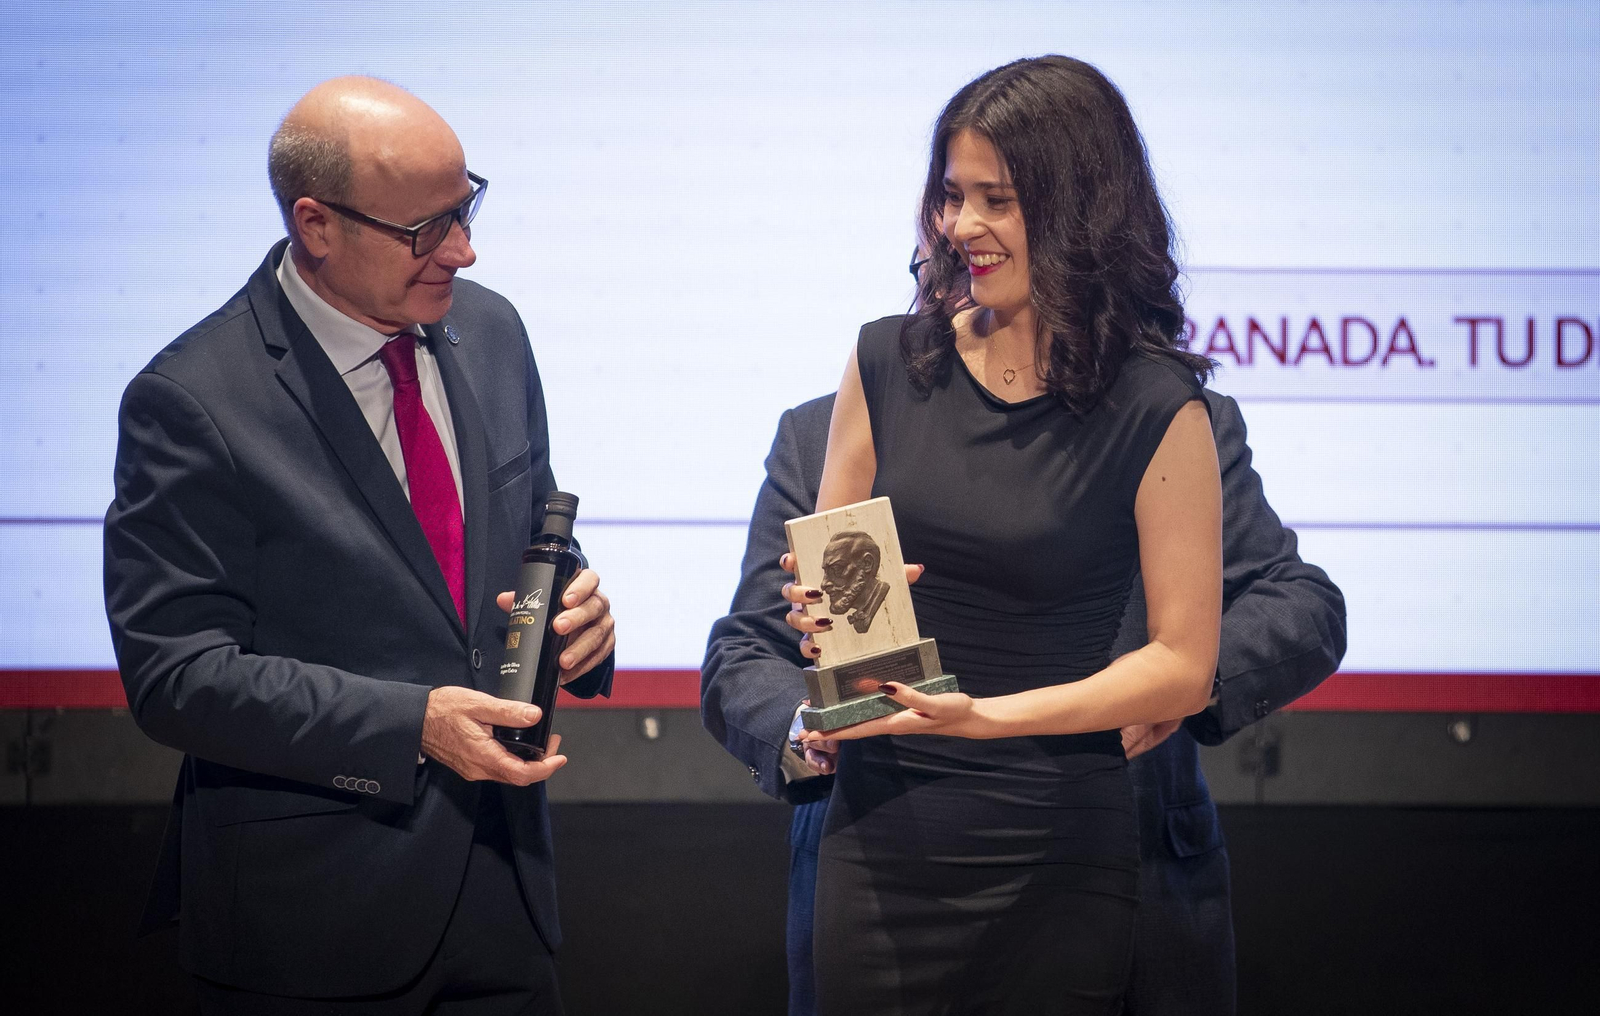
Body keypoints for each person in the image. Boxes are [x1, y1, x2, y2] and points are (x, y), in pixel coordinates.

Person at [103, 77, 616, 1014]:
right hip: (312, 923)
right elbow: (174, 673)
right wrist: (408, 724)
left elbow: (528, 542)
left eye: (466, 209)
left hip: (506, 901)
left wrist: (581, 615)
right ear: (316, 224)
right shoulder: (193, 400)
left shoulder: (491, 330)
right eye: (427, 229)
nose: (464, 248)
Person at [788, 54, 1221, 1015]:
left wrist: (983, 715)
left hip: (1056, 846)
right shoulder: (886, 361)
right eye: (951, 196)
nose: (961, 226)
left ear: (1079, 211)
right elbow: (843, 622)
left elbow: (1185, 666)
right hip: (883, 836)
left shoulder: (1159, 407)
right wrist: (827, 620)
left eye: (998, 199)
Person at [702, 379, 1345, 1015]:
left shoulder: (1161, 416)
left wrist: (1176, 683)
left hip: (1119, 860)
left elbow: (1302, 605)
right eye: (940, 269)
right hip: (874, 872)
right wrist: (809, 730)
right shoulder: (824, 432)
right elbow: (746, 650)